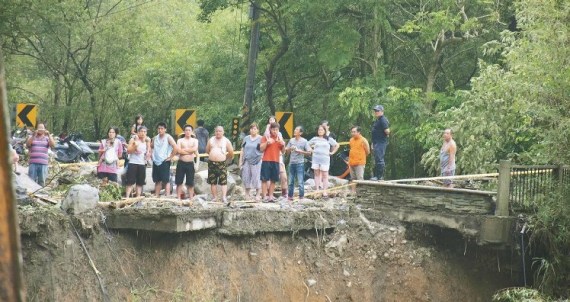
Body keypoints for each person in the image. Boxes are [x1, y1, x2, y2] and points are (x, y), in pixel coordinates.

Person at [206, 126, 234, 204]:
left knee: (223, 181)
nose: (218, 132)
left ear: (223, 132)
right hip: (212, 163)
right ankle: (215, 197)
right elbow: (207, 150)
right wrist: (213, 154)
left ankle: (224, 197)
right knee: (213, 181)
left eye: (220, 131)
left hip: (222, 163)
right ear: (215, 132)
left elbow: (231, 151)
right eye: (217, 131)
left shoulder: (226, 141)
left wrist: (225, 158)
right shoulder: (211, 140)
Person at [309, 125, 339, 198]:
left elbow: (337, 145)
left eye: (322, 130)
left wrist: (332, 152)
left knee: (325, 175)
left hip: (325, 158)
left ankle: (324, 190)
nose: (320, 131)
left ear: (325, 131)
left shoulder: (328, 139)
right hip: (316, 158)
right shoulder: (315, 139)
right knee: (316, 174)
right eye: (319, 130)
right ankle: (317, 189)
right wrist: (311, 150)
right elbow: (307, 144)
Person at [260, 122, 285, 202]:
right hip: (266, 160)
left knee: (273, 179)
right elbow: (261, 149)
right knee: (264, 179)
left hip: (276, 161)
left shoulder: (279, 138)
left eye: (277, 130)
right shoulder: (266, 137)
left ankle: (271, 196)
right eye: (273, 129)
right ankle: (264, 196)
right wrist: (267, 142)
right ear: (270, 129)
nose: (275, 131)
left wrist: (283, 145)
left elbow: (283, 151)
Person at [264, 116, 288, 198]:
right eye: (270, 120)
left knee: (283, 176)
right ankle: (267, 194)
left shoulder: (279, 134)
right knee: (267, 177)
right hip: (267, 157)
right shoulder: (266, 133)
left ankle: (284, 192)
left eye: (273, 120)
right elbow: (261, 147)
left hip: (278, 157)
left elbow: (283, 149)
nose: (271, 121)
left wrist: (283, 144)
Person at [150, 122, 177, 197]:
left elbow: (175, 147)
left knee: (166, 180)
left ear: (165, 129)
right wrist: (151, 154)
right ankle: (156, 195)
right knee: (157, 180)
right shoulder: (155, 138)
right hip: (156, 161)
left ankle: (167, 196)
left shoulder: (168, 137)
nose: (160, 130)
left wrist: (171, 157)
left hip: (164, 160)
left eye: (162, 128)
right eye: (158, 128)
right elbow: (151, 146)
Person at [285, 126, 311, 201]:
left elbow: (309, 152)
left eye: (296, 130)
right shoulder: (291, 140)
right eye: (295, 129)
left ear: (300, 133)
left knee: (300, 181)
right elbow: (286, 151)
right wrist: (290, 148)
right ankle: (290, 197)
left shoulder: (304, 141)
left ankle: (301, 197)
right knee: (290, 181)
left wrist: (300, 151)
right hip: (291, 163)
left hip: (300, 163)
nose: (294, 130)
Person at [239, 123, 263, 200]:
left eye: (255, 129)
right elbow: (242, 149)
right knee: (246, 176)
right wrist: (240, 161)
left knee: (256, 177)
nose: (253, 130)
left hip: (257, 160)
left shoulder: (261, 138)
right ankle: (247, 194)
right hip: (246, 160)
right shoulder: (246, 138)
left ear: (258, 130)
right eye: (252, 128)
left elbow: (264, 149)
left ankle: (258, 194)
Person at [125, 126, 151, 198]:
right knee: (130, 182)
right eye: (141, 131)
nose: (143, 133)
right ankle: (127, 197)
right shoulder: (133, 140)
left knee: (140, 182)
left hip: (142, 163)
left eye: (144, 132)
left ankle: (138, 197)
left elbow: (148, 151)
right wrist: (135, 147)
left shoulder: (147, 141)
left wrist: (148, 154)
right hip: (133, 162)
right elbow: (128, 151)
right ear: (138, 132)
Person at [175, 124, 199, 200]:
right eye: (186, 130)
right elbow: (178, 150)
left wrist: (184, 151)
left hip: (190, 163)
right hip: (181, 162)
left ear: (192, 131)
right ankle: (178, 197)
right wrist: (189, 151)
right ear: (184, 131)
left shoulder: (195, 140)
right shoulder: (180, 140)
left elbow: (195, 149)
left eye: (189, 130)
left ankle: (191, 197)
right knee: (179, 181)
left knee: (190, 182)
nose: (188, 132)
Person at [348, 126, 370, 194]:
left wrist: (360, 158)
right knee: (352, 178)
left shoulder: (363, 140)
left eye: (354, 132)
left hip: (360, 163)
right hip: (351, 162)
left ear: (359, 132)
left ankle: (361, 193)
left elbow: (368, 152)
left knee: (360, 179)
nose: (353, 133)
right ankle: (353, 192)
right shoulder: (351, 140)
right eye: (352, 132)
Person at [371, 104, 390, 180]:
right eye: (375, 111)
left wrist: (386, 134)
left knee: (379, 159)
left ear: (382, 111)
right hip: (376, 142)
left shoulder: (383, 119)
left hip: (380, 142)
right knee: (377, 159)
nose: (376, 112)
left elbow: (387, 131)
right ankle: (377, 176)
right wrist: (373, 143)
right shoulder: (378, 120)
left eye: (377, 111)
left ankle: (379, 176)